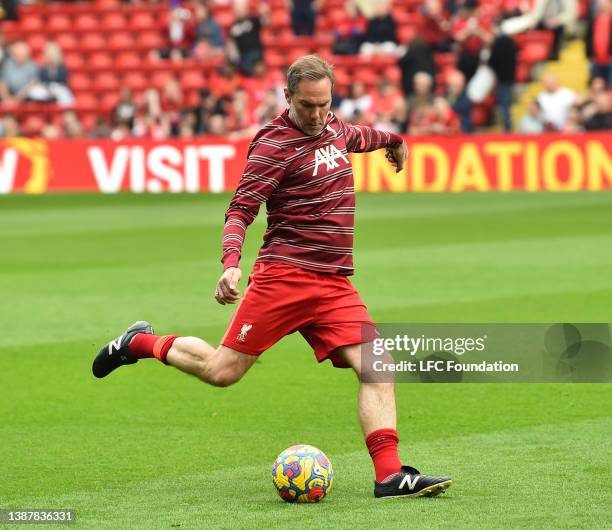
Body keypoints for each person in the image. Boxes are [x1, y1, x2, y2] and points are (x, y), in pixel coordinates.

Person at [91, 54, 452, 499]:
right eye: (307, 106)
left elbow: (360, 135)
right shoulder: (272, 146)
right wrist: (230, 262)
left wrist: (392, 140)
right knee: (221, 372)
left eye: (324, 104)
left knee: (379, 366)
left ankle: (390, 476)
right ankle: (138, 343)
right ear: (287, 97)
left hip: (334, 282)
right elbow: (241, 209)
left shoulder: (335, 126)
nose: (317, 115)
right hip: (284, 276)